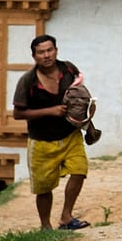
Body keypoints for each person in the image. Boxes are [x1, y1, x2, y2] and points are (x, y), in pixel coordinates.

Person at [11, 34, 91, 231]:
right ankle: (45, 226)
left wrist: (83, 108)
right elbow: (18, 113)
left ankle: (66, 217)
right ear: (34, 56)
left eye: (50, 50)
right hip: (42, 141)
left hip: (70, 134)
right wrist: (50, 111)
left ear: (56, 50)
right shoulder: (27, 81)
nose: (46, 55)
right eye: (41, 52)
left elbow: (78, 90)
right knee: (44, 188)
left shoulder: (68, 69)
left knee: (79, 171)